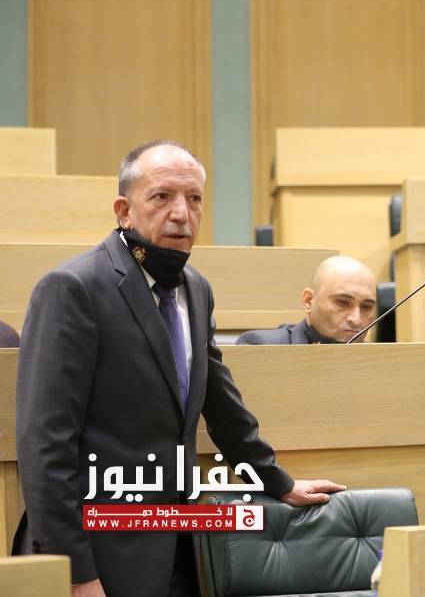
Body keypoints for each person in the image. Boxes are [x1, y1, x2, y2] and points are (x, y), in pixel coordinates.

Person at [16, 141, 346, 597]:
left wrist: (277, 480)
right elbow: (44, 444)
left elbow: (220, 403)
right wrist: (75, 573)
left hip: (179, 545)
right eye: (162, 197)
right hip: (99, 554)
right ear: (124, 211)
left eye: (194, 199)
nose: (181, 214)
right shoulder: (73, 288)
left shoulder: (196, 288)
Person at [236, 256, 377, 345]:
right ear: (309, 301)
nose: (356, 319)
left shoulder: (380, 361)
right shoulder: (262, 346)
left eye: (366, 307)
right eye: (342, 302)